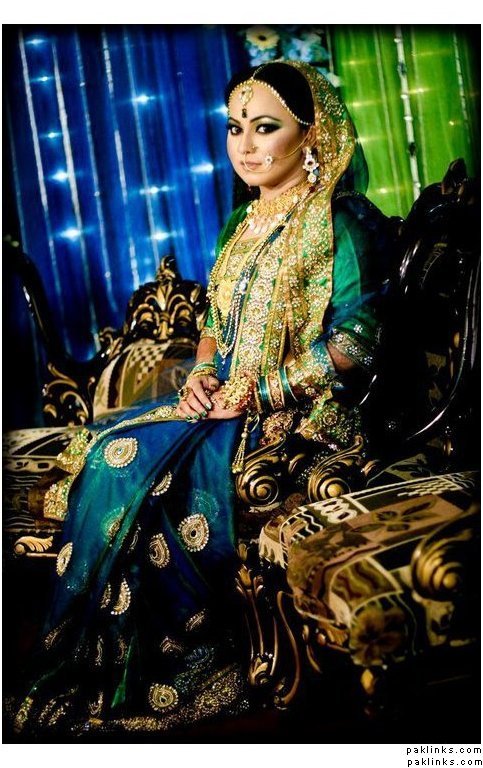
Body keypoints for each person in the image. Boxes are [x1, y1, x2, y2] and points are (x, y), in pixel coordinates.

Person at [11, 60, 390, 737]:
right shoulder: (240, 223)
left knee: (125, 462)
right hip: (222, 404)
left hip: (297, 418)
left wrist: (257, 392)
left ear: (312, 135)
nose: (245, 144)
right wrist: (201, 373)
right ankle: (94, 660)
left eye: (265, 127)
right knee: (105, 447)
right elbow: (215, 323)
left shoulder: (344, 222)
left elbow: (355, 343)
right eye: (234, 128)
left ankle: (172, 668)